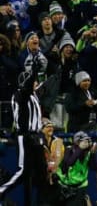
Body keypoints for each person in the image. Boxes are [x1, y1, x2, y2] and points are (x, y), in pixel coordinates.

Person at [0, 70, 44, 202]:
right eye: (33, 81)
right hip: (24, 136)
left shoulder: (34, 95)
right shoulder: (20, 94)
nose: (36, 83)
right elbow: (26, 89)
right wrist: (35, 68)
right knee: (23, 171)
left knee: (39, 173)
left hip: (36, 136)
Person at [55, 131, 97, 206]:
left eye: (88, 141)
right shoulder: (68, 149)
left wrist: (93, 154)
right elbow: (69, 162)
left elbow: (95, 167)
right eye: (85, 141)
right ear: (77, 142)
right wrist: (80, 149)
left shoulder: (88, 153)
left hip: (80, 187)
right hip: (64, 186)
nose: (87, 143)